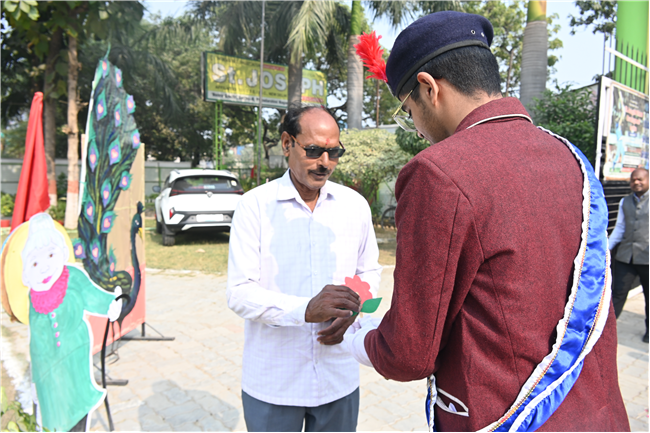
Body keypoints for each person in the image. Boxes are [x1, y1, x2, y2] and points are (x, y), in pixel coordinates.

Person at [345, 11, 629, 432]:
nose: (417, 129)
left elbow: (408, 352)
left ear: (429, 87)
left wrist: (358, 338)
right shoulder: (569, 156)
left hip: (509, 418)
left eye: (408, 110)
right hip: (600, 414)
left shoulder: (438, 173)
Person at [226, 106, 382, 432]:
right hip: (274, 383)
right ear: (287, 144)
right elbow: (239, 293)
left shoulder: (354, 206)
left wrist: (353, 310)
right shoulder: (254, 207)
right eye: (313, 150)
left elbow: (369, 272)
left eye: (333, 152)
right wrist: (305, 310)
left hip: (337, 377)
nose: (325, 162)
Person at [22, 213, 122, 432]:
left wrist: (111, 304)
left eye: (50, 255)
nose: (44, 267)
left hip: (75, 362)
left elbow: (94, 297)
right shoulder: (34, 296)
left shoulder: (72, 277)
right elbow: (35, 341)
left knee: (76, 411)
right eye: (36, 262)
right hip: (47, 372)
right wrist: (35, 379)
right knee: (52, 419)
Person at [609, 167, 649, 343]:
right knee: (617, 293)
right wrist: (606, 248)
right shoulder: (624, 201)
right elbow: (620, 228)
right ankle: (607, 330)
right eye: (633, 179)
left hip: (647, 258)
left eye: (640, 179)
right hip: (626, 257)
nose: (636, 182)